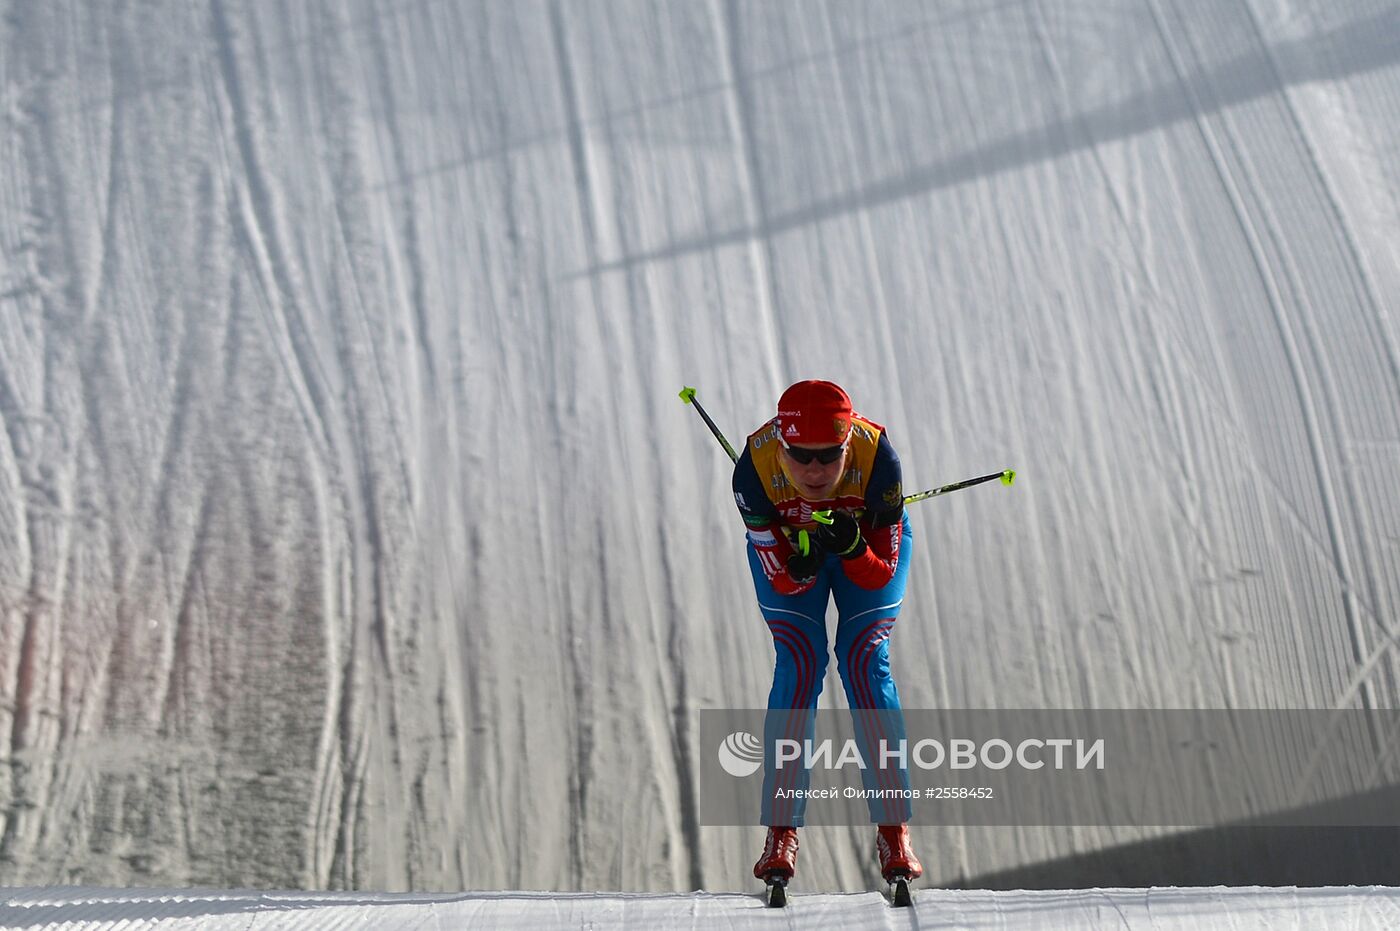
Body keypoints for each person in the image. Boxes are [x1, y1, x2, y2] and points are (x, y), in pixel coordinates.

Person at [732, 379, 923, 885]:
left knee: (864, 661)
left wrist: (855, 547)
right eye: (800, 455)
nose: (814, 470)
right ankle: (780, 833)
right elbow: (778, 576)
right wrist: (800, 567)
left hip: (865, 552)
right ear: (781, 445)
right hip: (795, 552)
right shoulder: (753, 470)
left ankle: (893, 831)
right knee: (799, 661)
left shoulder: (879, 459)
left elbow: (881, 571)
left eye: (828, 456)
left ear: (847, 445)